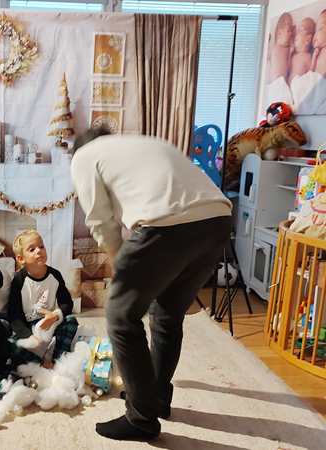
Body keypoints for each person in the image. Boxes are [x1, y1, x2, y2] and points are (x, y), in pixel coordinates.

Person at [70, 128, 232, 441]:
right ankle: (155, 397)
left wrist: (120, 263)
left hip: (166, 226)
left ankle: (141, 418)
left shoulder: (84, 156)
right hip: (218, 221)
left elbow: (100, 220)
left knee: (121, 316)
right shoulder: (144, 142)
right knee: (168, 313)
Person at [8, 229, 78, 367]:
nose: (39, 251)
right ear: (21, 259)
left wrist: (55, 316)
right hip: (29, 327)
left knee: (71, 322)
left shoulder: (55, 275)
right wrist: (29, 337)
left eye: (41, 246)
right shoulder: (18, 280)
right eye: (32, 249)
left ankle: (56, 356)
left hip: (50, 322)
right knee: (12, 346)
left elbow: (67, 303)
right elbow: (14, 314)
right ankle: (39, 358)